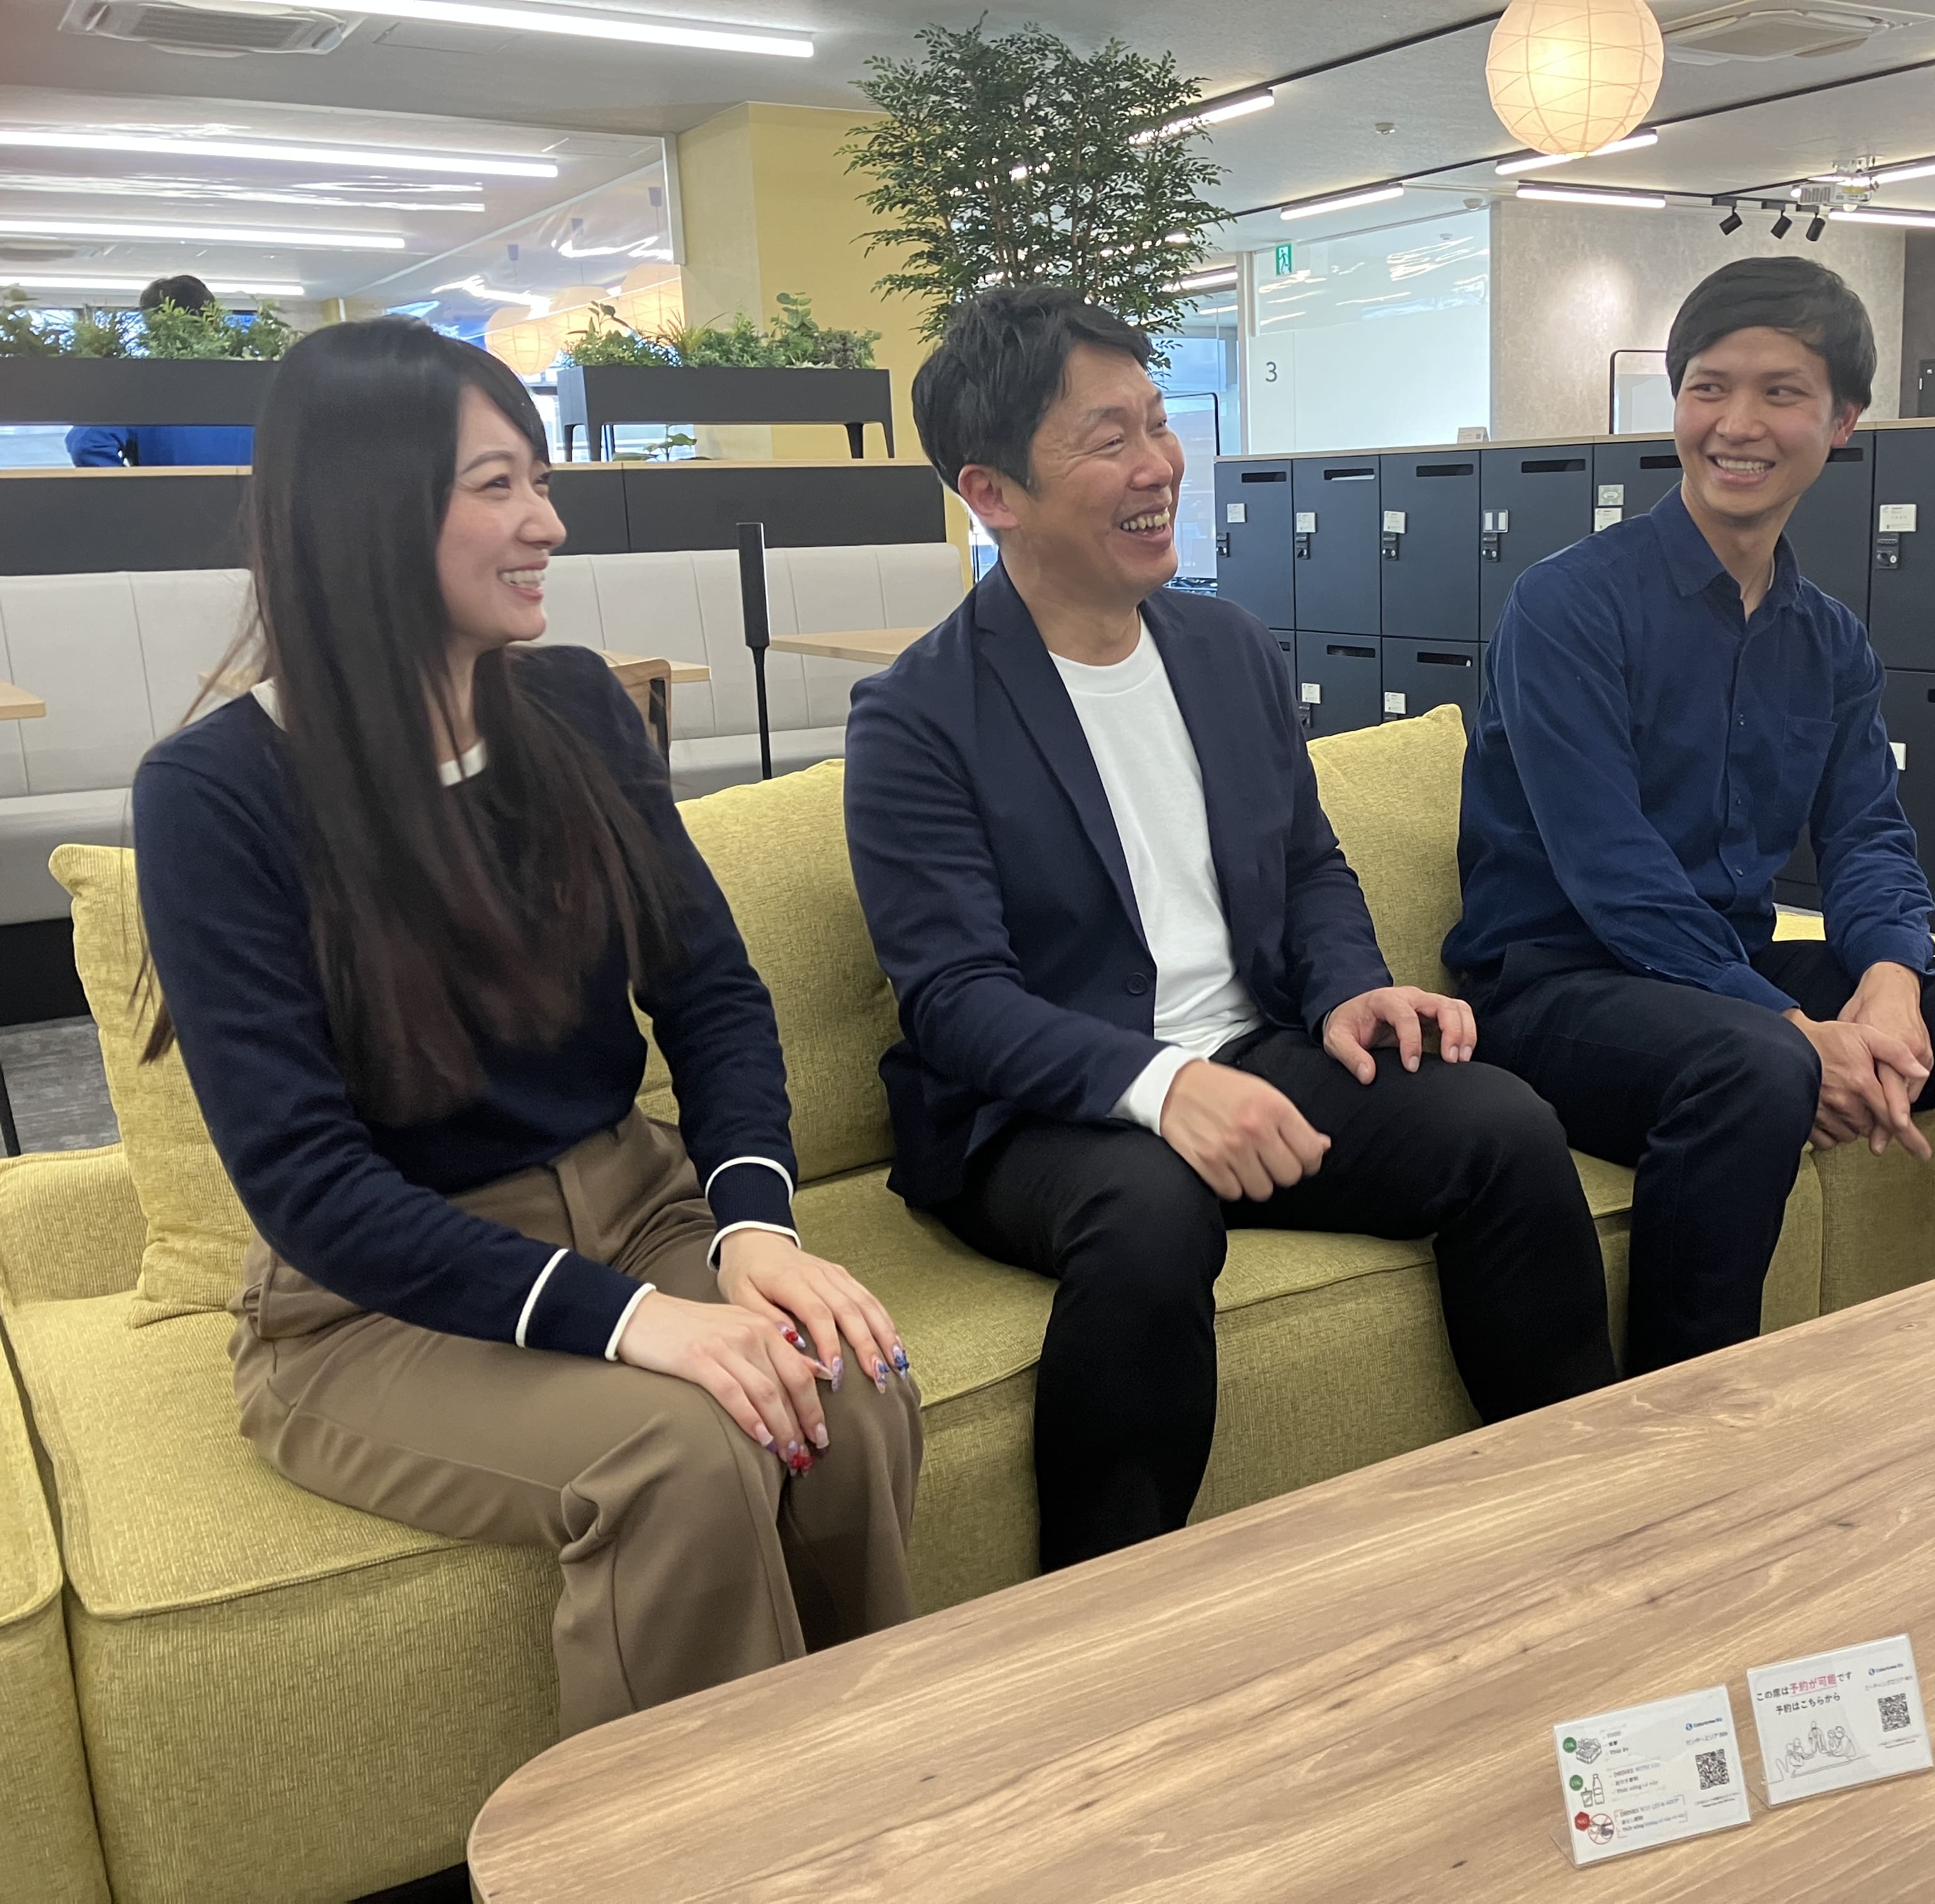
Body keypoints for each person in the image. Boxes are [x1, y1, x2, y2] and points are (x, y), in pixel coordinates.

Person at [132, 319, 920, 1736]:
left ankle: (869, 1788)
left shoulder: (574, 706)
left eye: (541, 481)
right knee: (685, 1449)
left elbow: (712, 992)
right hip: (371, 1299)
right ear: (367, 510)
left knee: (849, 1386)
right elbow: (308, 1184)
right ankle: (691, 1840)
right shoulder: (214, 792)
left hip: (637, 1201)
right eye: (497, 485)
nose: (547, 523)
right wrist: (633, 1325)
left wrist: (754, 1230)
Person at [846, 286, 1615, 1572]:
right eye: (1109, 440)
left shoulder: (1227, 646)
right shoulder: (917, 718)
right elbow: (955, 999)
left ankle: (1573, 1516)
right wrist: (1163, 1087)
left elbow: (1307, 860)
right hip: (1039, 1112)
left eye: (1158, 423)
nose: (1159, 465)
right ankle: (1108, 1610)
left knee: (1502, 1126)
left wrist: (1348, 988)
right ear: (992, 492)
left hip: (1254, 1051)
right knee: (1150, 1220)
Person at [1447, 256, 1935, 1377]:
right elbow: (1613, 873)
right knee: (1754, 1063)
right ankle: (1686, 1423)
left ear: (1841, 422)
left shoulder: (1827, 638)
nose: (1737, 424)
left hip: (1722, 980)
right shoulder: (1567, 604)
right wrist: (1795, 1030)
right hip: (1552, 991)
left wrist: (1889, 979)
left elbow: (1868, 836)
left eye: (1780, 392)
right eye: (1708, 387)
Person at [65, 275, 259, 468]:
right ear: (213, 318)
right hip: (249, 488)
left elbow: (87, 444)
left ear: (152, 324)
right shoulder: (250, 380)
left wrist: (131, 486)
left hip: (169, 489)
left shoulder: (139, 383)